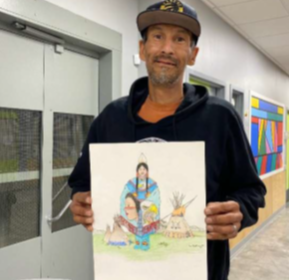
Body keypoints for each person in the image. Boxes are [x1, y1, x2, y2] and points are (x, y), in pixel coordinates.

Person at [69, 0, 266, 279]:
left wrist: (238, 214)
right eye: (157, 36)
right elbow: (80, 182)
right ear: (142, 48)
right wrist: (81, 200)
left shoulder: (221, 118)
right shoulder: (111, 119)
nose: (167, 49)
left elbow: (251, 191)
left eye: (179, 39)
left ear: (192, 54)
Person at [119, 154, 160, 251]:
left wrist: (148, 208)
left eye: (144, 169)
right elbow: (125, 194)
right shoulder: (132, 183)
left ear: (147, 171)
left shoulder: (152, 184)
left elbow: (156, 198)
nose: (142, 171)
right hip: (135, 210)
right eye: (140, 169)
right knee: (137, 228)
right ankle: (138, 243)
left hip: (146, 210)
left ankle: (145, 244)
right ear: (137, 171)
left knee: (145, 228)